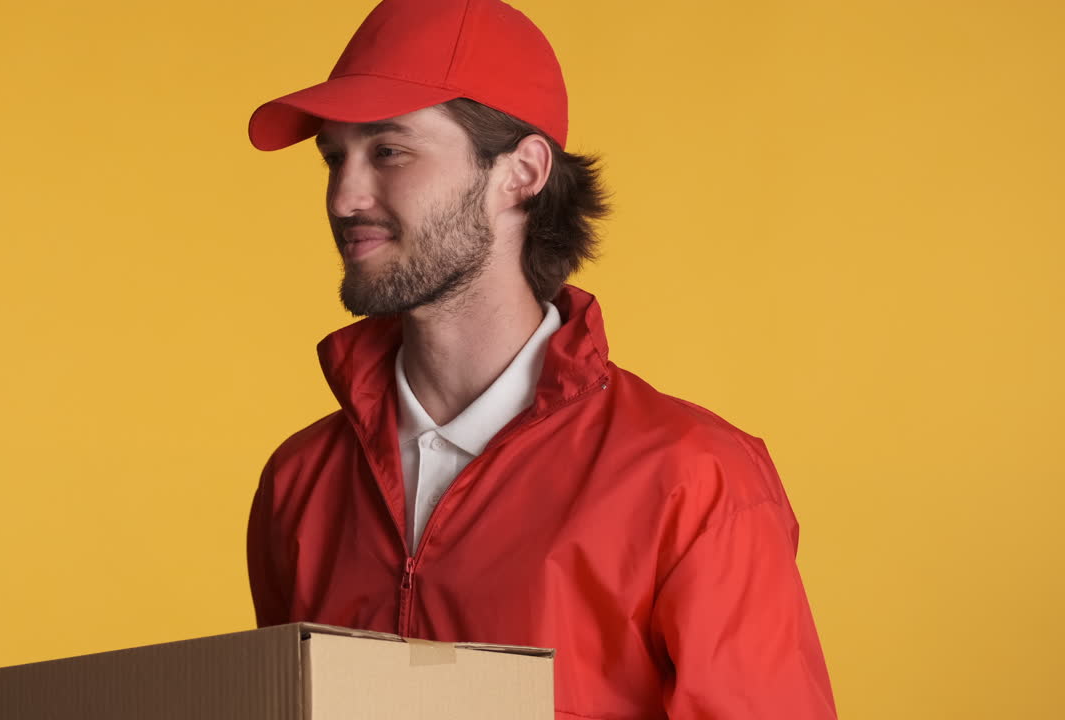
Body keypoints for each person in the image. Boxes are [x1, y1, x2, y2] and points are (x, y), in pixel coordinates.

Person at [244, 0, 838, 717]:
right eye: (334, 157)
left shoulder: (693, 481)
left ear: (520, 172)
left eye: (388, 151)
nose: (345, 197)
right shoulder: (299, 485)